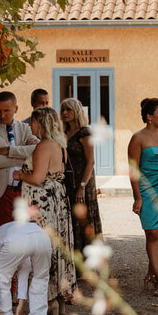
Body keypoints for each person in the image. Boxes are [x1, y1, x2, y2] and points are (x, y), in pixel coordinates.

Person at [14, 106, 75, 315]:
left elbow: (38, 178)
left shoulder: (43, 146)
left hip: (43, 204)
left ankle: (49, 300)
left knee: (42, 249)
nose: (30, 126)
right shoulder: (60, 145)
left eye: (33, 122)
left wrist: (20, 174)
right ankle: (58, 297)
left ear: (41, 123)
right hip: (57, 201)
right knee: (56, 246)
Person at [129, 98, 158, 296]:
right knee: (152, 232)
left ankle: (154, 271)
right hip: (146, 189)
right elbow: (133, 170)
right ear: (149, 116)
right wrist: (137, 197)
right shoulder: (138, 138)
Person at [0, 220, 52, 315]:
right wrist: (20, 305)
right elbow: (24, 271)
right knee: (41, 276)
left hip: (17, 240)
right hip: (42, 237)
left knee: (2, 277)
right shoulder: (7, 232)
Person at [0, 91, 39, 228]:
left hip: (25, 190)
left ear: (16, 109)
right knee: (5, 233)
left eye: (6, 110)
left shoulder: (25, 128)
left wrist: (10, 151)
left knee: (26, 233)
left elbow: (38, 150)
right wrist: (21, 159)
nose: (1, 115)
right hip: (0, 193)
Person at [61, 98, 102, 256]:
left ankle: (89, 262)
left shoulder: (85, 132)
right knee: (72, 220)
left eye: (69, 110)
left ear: (76, 112)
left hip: (83, 182)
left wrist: (82, 187)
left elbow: (91, 161)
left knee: (85, 220)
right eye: (63, 110)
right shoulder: (63, 133)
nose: (65, 113)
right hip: (68, 181)